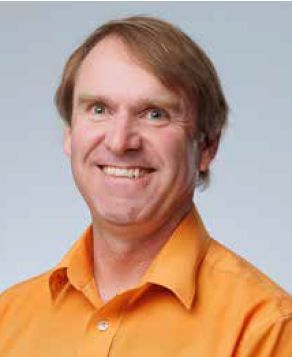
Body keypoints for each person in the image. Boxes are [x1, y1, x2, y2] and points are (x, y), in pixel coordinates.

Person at [0, 15, 291, 356]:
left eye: (155, 114)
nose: (120, 141)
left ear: (207, 146)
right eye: (98, 109)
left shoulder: (265, 328)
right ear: (70, 134)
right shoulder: (9, 318)